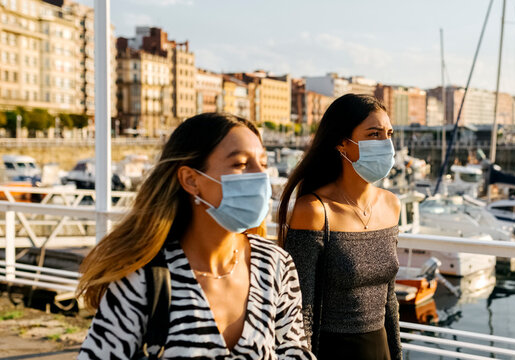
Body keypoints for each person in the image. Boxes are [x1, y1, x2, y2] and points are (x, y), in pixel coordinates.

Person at [77, 113, 314, 359]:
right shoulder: (146, 278)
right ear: (191, 180)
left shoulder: (274, 264)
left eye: (263, 164)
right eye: (241, 164)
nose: (261, 176)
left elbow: (294, 352)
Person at [278, 94, 402, 359]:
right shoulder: (313, 211)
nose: (386, 144)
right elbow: (301, 310)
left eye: (389, 134)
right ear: (342, 144)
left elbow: (389, 301)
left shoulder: (392, 206)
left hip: (381, 350)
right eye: (374, 134)